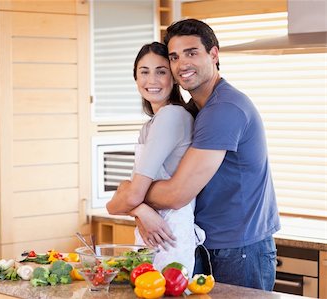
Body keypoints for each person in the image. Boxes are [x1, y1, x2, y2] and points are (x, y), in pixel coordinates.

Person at [111, 19, 281, 291]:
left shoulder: (223, 110)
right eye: (175, 57)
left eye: (191, 53)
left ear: (214, 55)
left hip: (239, 249)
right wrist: (137, 205)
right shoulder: (195, 110)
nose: (182, 64)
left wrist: (132, 198)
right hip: (206, 242)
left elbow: (177, 194)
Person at [106, 42, 204, 276]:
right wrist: (141, 210)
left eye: (161, 71)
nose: (152, 80)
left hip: (170, 240)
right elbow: (128, 193)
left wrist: (136, 205)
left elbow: (126, 197)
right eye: (144, 72)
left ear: (173, 78)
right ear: (135, 77)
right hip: (155, 237)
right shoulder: (154, 123)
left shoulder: (171, 116)